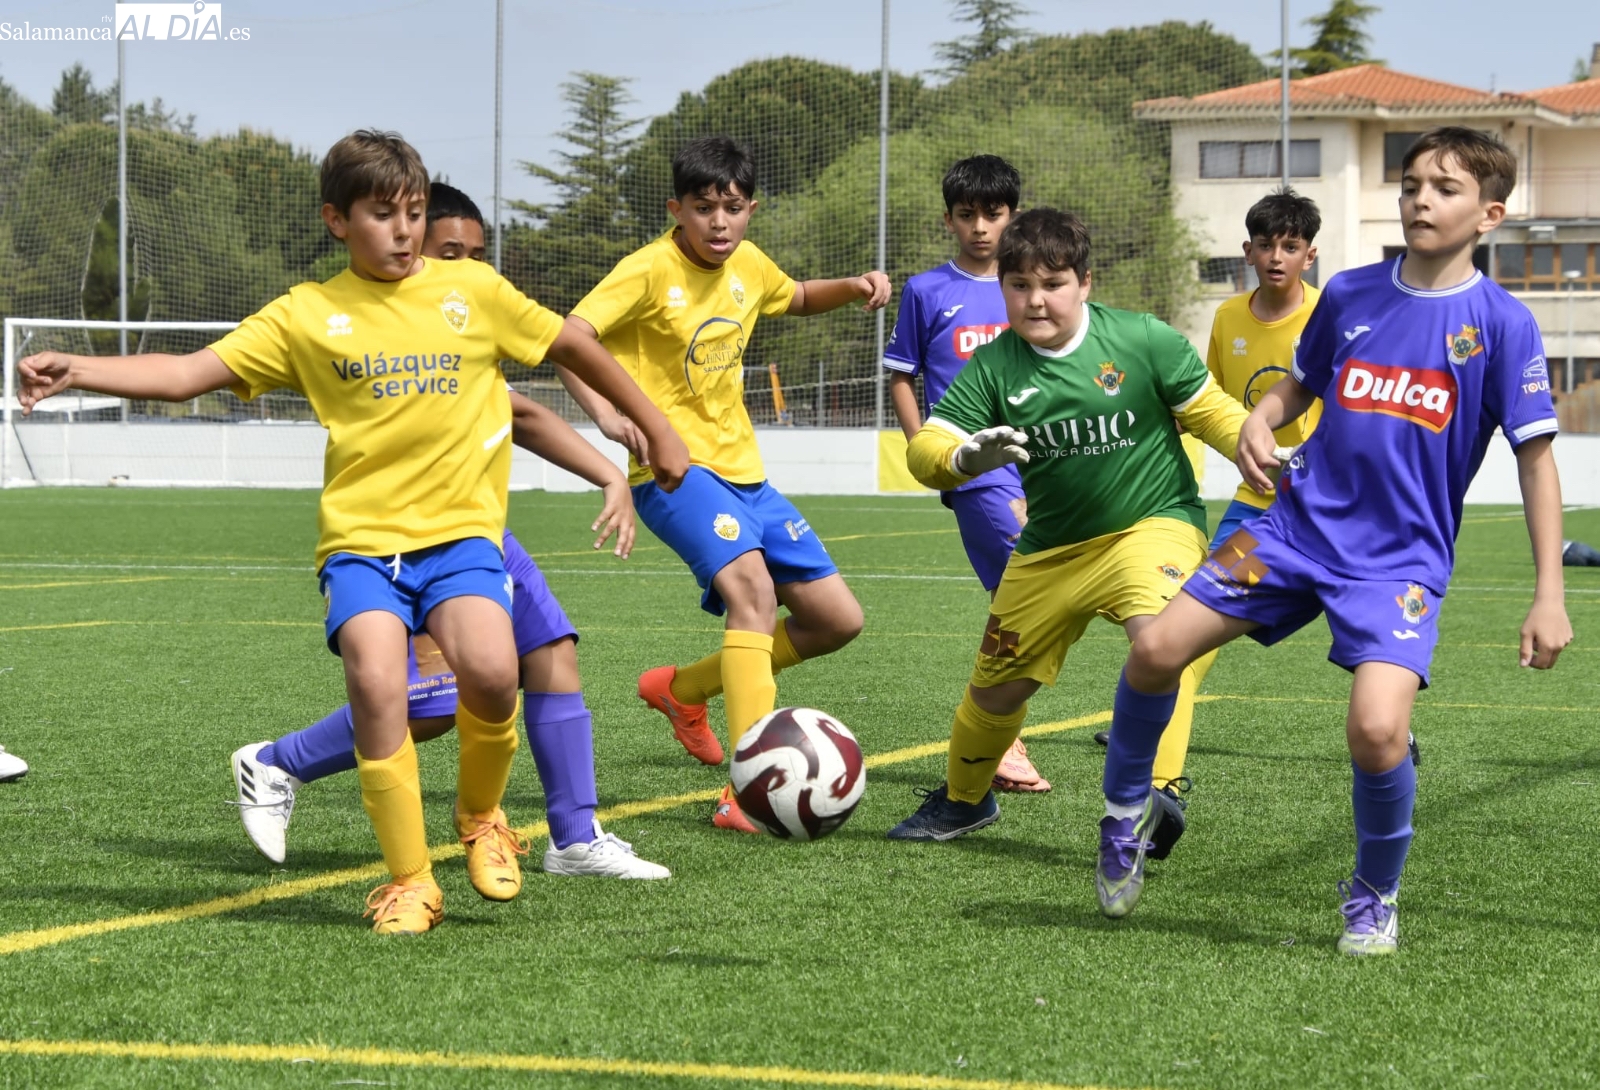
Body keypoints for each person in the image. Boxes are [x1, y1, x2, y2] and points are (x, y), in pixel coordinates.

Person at [17, 131, 688, 935]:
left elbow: (573, 344)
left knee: (492, 671)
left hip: (461, 538)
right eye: (382, 215)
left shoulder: (472, 289)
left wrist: (646, 428)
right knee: (378, 688)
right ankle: (409, 883)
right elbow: (190, 372)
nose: (404, 231)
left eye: (412, 213)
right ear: (337, 220)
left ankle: (480, 820)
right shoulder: (307, 313)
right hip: (362, 545)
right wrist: (81, 369)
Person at [1093, 127, 1570, 955]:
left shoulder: (1503, 324)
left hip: (1399, 563)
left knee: (1380, 731)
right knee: (1156, 647)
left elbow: (1537, 460)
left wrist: (1549, 593)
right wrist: (1261, 417)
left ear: (1491, 213)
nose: (1422, 198)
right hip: (1289, 528)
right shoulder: (1349, 293)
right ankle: (1125, 814)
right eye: (1413, 182)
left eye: (1446, 189)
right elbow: (1297, 382)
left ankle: (1375, 893)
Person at [229, 183, 667, 881]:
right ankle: (277, 763)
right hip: (401, 539)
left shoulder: (468, 313)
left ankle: (575, 836)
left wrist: (609, 472)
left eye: (477, 253)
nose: (464, 265)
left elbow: (521, 414)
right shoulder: (381, 311)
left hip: (475, 531)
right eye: (451, 251)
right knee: (429, 709)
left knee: (551, 653)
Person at [884, 207, 1249, 846]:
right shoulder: (995, 367)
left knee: (1161, 643)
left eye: (1052, 284)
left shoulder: (1143, 339)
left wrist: (1262, 452)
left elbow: (1214, 413)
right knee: (994, 694)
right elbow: (925, 452)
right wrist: (964, 458)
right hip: (1049, 550)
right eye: (1019, 285)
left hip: (1151, 527)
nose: (1035, 300)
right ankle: (966, 802)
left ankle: (1154, 797)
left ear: (1085, 283)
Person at [559, 135, 890, 833]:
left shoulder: (747, 264)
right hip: (674, 472)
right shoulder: (647, 270)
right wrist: (611, 420)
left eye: (732, 209)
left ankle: (682, 692)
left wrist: (854, 287)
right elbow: (569, 338)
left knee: (838, 620)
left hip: (748, 476)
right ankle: (748, 792)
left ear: (750, 211)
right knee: (754, 594)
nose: (718, 222)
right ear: (676, 208)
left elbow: (794, 296)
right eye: (703, 208)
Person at [882, 154, 1047, 794]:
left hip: (1041, 462)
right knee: (1021, 590)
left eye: (994, 213)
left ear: (1013, 215)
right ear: (948, 219)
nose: (981, 227)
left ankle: (993, 728)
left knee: (1033, 594)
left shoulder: (1029, 286)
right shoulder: (927, 291)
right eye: (967, 214)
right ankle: (998, 736)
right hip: (974, 471)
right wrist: (928, 449)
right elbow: (903, 375)